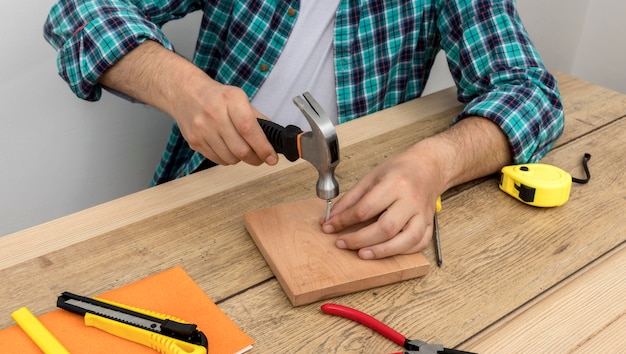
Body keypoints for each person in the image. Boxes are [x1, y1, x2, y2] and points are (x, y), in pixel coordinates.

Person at [43, 0, 564, 260]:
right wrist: (184, 89)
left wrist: (433, 163)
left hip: (352, 205)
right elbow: (77, 12)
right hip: (205, 192)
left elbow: (530, 90)